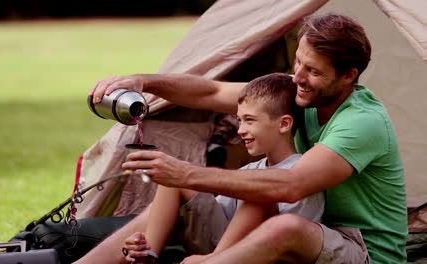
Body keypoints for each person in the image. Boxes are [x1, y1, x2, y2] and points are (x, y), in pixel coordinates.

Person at [76, 13, 407, 264]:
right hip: (287, 223)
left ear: (349, 76)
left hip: (362, 251)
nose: (299, 78)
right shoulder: (302, 93)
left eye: (314, 72)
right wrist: (143, 82)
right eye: (298, 63)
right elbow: (212, 90)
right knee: (177, 194)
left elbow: (289, 186)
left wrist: (186, 172)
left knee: (283, 224)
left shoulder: (362, 122)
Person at [122, 73, 324, 264]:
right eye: (239, 120)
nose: (241, 130)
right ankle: (146, 254)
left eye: (250, 120)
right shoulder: (250, 171)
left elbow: (289, 236)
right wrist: (142, 239)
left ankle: (215, 260)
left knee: (260, 193)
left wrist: (214, 258)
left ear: (284, 124)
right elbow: (213, 214)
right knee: (176, 179)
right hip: (227, 245)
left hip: (265, 254)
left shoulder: (299, 172)